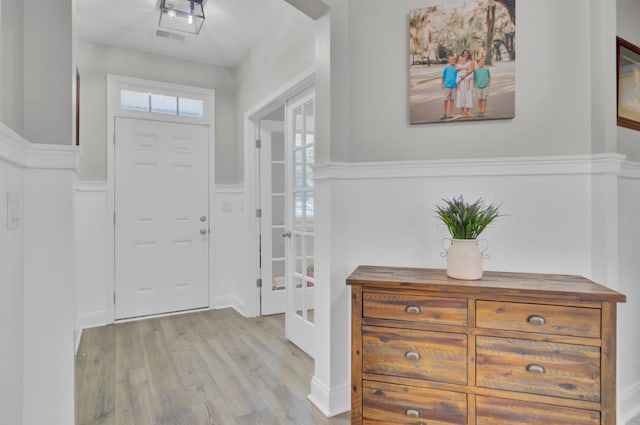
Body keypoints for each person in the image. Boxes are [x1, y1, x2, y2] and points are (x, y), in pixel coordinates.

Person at [455, 49, 474, 117]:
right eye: (464, 53)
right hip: (460, 79)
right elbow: (457, 70)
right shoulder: (459, 62)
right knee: (460, 94)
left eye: (467, 53)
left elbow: (471, 70)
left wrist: (464, 76)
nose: (465, 54)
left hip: (467, 78)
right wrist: (464, 69)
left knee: (468, 94)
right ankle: (462, 111)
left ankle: (467, 111)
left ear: (469, 54)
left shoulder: (470, 61)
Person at [441, 55, 457, 120]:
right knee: (445, 100)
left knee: (452, 100)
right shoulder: (446, 68)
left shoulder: (456, 68)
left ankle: (451, 113)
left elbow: (458, 76)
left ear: (455, 60)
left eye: (454, 59)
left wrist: (457, 86)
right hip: (446, 86)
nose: (452, 61)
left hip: (454, 86)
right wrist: (442, 84)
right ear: (449, 60)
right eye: (451, 59)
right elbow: (442, 77)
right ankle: (444, 113)